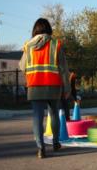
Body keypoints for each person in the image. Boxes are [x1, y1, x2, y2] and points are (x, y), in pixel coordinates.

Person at [19, 18, 70, 159]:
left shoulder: (28, 46)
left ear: (35, 30)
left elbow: (22, 67)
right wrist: (67, 88)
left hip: (34, 86)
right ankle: (55, 143)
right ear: (49, 29)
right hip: (53, 85)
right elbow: (63, 69)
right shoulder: (56, 44)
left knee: (37, 117)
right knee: (54, 114)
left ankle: (41, 148)